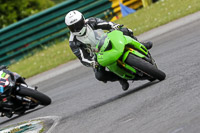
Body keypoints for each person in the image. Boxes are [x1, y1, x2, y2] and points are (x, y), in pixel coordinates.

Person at [65, 10, 153, 91]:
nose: (77, 29)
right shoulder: (73, 42)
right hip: (96, 55)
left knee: (125, 31)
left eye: (78, 25)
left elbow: (106, 24)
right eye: (73, 27)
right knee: (100, 76)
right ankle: (120, 78)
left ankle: (140, 44)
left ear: (83, 21)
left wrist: (114, 26)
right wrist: (92, 63)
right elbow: (83, 58)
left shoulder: (91, 22)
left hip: (107, 40)